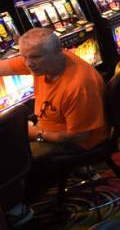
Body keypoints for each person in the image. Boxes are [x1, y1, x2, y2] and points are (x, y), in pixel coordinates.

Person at [0, 27, 108, 162]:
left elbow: (80, 136)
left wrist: (36, 133)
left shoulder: (78, 87)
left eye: (35, 57)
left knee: (10, 158)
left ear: (58, 52)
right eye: (24, 57)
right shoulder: (45, 62)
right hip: (47, 126)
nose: (28, 64)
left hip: (75, 143)